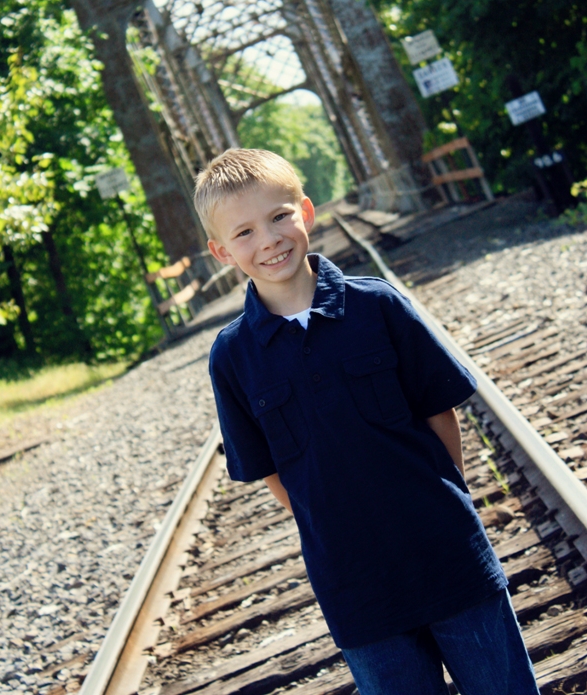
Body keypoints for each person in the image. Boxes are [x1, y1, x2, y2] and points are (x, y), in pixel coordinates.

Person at [193, 147, 539, 695]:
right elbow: (273, 474)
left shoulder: (378, 306)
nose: (269, 240)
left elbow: (440, 415)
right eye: (244, 233)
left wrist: (440, 500)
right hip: (354, 584)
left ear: (306, 212)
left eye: (279, 216)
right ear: (220, 251)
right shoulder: (233, 357)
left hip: (448, 553)